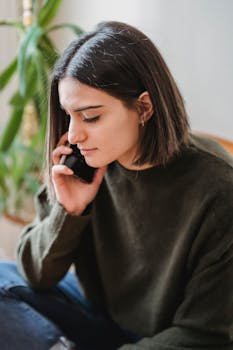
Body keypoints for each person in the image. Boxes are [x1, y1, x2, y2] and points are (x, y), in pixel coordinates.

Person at [0, 20, 232, 350]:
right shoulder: (85, 162)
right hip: (99, 315)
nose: (75, 134)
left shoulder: (219, 189)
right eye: (69, 115)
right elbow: (36, 275)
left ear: (144, 107)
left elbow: (205, 335)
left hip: (169, 338)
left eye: (90, 116)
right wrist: (69, 210)